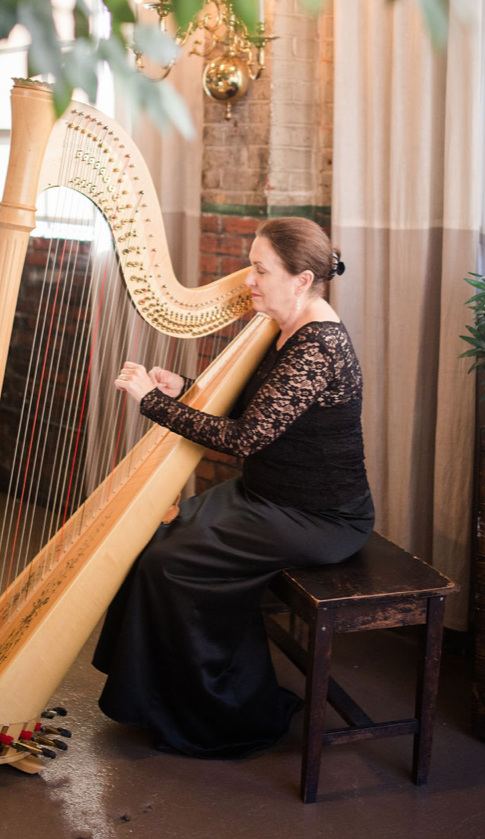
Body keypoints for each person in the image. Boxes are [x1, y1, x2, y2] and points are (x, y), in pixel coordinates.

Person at [93, 217, 374, 758]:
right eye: (251, 265)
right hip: (268, 497)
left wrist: (153, 404)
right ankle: (162, 698)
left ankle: (224, 713)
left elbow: (245, 438)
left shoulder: (318, 344)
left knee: (169, 566)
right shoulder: (285, 325)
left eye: (260, 269)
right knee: (155, 532)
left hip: (320, 517)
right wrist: (187, 389)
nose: (248, 279)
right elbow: (268, 414)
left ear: (300, 279)